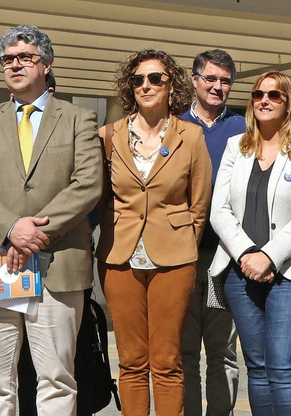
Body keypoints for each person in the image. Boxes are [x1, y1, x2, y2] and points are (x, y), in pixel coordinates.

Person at [0, 26, 101, 416]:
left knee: (56, 379)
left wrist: (34, 232)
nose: (15, 64)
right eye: (8, 58)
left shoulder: (78, 118)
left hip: (59, 264)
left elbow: (88, 185)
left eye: (26, 57)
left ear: (47, 64)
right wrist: (11, 229)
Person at [98, 49, 214, 416]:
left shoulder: (191, 137)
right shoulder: (108, 135)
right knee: (131, 360)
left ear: (172, 85)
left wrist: (181, 240)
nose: (145, 86)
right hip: (119, 255)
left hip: (174, 258)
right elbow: (100, 199)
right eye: (138, 80)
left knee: (166, 360)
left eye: (155, 79)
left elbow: (200, 203)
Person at [209, 70, 291, 416]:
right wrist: (247, 254)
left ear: (288, 103)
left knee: (285, 367)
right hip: (239, 271)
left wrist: (269, 257)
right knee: (257, 367)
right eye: (258, 94)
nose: (264, 100)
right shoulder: (236, 147)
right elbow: (219, 210)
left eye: (274, 95)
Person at [181, 50, 247, 416]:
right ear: (195, 81)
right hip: (180, 258)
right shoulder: (173, 127)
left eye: (225, 81)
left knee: (222, 350)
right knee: (185, 350)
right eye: (210, 79)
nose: (218, 87)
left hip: (223, 262)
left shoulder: (243, 129)